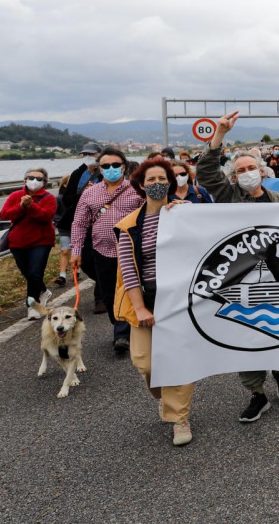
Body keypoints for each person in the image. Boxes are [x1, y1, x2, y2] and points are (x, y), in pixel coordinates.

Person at [196, 111, 279, 422]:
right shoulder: (227, 196)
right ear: (234, 175)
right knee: (244, 336)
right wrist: (219, 134)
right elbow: (205, 172)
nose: (247, 173)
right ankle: (257, 393)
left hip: (274, 278)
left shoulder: (278, 200)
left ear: (262, 171)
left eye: (251, 168)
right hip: (237, 278)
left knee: (276, 329)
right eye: (241, 169)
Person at [115, 158, 195, 446]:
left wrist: (187, 214)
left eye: (162, 178)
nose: (157, 183)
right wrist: (139, 307)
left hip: (179, 300)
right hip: (146, 298)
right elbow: (128, 270)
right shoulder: (129, 225)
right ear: (140, 184)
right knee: (145, 362)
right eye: (150, 179)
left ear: (171, 183)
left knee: (178, 360)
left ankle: (179, 417)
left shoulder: (184, 214)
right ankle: (166, 399)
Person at [71, 146, 143, 354]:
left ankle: (122, 334)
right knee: (108, 293)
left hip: (130, 251)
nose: (111, 169)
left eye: (115, 165)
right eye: (105, 166)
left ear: (124, 166)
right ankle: (119, 323)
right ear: (99, 169)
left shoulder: (137, 190)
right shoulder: (90, 193)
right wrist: (75, 250)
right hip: (101, 250)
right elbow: (79, 223)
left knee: (129, 289)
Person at [0, 168, 59, 320]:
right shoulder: (15, 196)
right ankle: (43, 290)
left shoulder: (49, 198)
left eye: (39, 179)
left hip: (41, 241)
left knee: (34, 272)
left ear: (44, 182)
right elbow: (4, 214)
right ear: (25, 180)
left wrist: (31, 206)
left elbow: (46, 216)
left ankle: (32, 305)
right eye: (31, 177)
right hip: (18, 242)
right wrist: (20, 206)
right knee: (28, 273)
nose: (34, 181)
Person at [54, 142, 102, 289]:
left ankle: (100, 296)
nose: (88, 157)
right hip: (81, 220)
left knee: (100, 259)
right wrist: (84, 195)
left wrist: (98, 191)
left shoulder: (106, 172)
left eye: (92, 154)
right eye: (85, 154)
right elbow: (67, 198)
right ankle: (102, 285)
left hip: (101, 220)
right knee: (86, 261)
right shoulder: (77, 173)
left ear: (99, 154)